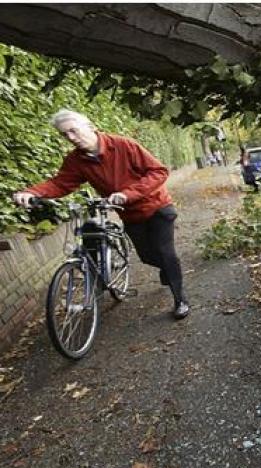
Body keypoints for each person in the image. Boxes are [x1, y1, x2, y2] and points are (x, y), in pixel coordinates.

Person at [12, 109, 190, 320]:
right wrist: (32, 192)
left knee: (165, 251)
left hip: (157, 208)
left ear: (90, 127)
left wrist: (128, 193)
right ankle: (166, 269)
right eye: (64, 135)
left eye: (73, 131)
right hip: (130, 216)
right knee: (147, 256)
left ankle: (180, 300)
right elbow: (60, 183)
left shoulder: (124, 145)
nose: (71, 138)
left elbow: (158, 171)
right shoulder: (76, 160)